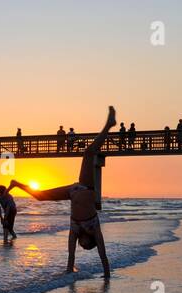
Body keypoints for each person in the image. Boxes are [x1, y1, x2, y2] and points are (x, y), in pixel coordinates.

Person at [9, 105, 117, 277]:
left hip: (71, 192)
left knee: (40, 196)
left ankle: (16, 183)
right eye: (83, 245)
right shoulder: (94, 230)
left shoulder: (75, 230)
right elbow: (103, 254)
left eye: (79, 244)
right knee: (89, 152)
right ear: (89, 242)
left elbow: (71, 255)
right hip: (85, 186)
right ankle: (109, 124)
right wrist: (107, 275)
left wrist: (67, 274)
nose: (80, 245)